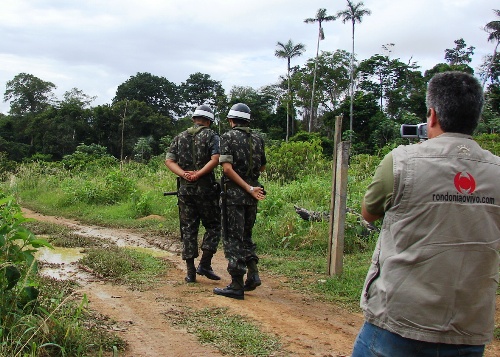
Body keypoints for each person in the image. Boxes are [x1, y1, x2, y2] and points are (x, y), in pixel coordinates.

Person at [351, 71, 500, 357]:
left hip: (399, 321)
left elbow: (368, 214)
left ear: (432, 115)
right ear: (477, 119)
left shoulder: (400, 162)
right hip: (469, 326)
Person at [213, 103, 267, 300]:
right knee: (246, 235)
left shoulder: (227, 137)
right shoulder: (258, 139)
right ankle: (253, 274)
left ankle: (236, 284)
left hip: (234, 196)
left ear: (231, 120)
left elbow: (227, 169)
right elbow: (262, 167)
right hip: (253, 196)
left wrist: (245, 186)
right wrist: (251, 185)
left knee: (232, 237)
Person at [165, 104, 222, 283]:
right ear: (209, 121)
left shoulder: (179, 137)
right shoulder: (212, 136)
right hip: (206, 190)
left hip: (185, 190)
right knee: (214, 226)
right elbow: (216, 159)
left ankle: (190, 272)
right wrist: (198, 174)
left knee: (188, 229)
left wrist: (184, 174)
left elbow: (169, 160)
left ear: (194, 119)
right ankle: (204, 263)